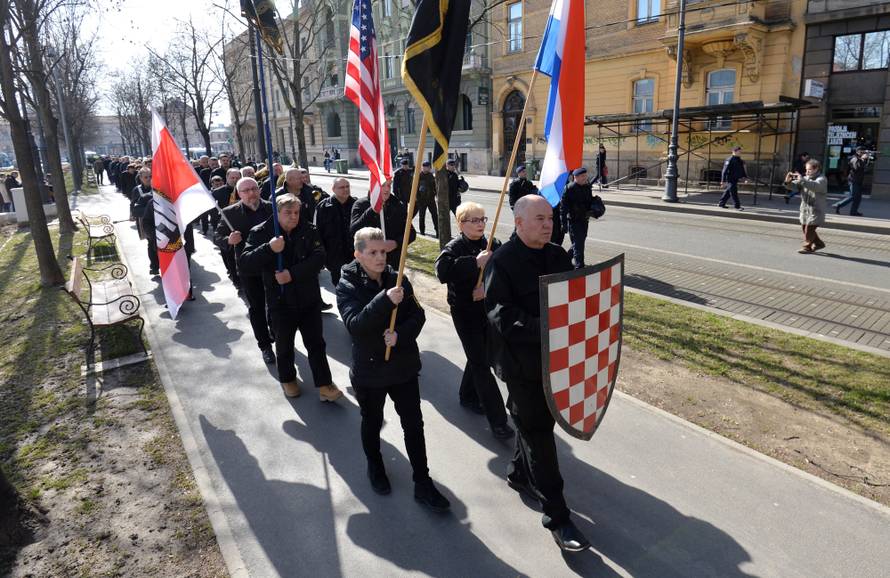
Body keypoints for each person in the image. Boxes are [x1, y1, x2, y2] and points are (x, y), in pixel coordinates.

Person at [484, 194, 589, 553]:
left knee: (532, 426)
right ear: (519, 223)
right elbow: (501, 316)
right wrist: (549, 328)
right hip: (521, 366)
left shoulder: (557, 255)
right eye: (540, 219)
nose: (548, 225)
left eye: (550, 218)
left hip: (557, 361)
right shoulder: (502, 261)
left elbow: (576, 296)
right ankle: (558, 519)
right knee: (540, 435)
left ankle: (518, 474)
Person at [335, 226, 450, 511]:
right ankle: (375, 465)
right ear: (358, 254)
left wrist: (400, 335)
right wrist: (384, 300)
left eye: (383, 252)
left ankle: (422, 481)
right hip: (370, 371)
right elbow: (355, 325)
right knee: (372, 421)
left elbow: (418, 315)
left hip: (403, 367)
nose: (380, 258)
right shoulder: (347, 284)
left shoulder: (398, 279)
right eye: (373, 252)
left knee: (413, 424)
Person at [240, 193, 344, 402]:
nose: (294, 217)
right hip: (280, 301)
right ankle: (287, 379)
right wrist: (269, 248)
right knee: (284, 344)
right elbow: (245, 263)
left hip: (309, 298)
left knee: (316, 344)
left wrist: (292, 274)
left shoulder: (308, 229)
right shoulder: (261, 232)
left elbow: (319, 257)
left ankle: (324, 384)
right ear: (277, 212)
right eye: (288, 213)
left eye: (296, 212)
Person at [435, 202, 513, 439]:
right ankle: (498, 421)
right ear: (461, 224)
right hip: (464, 312)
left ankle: (467, 395)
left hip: (487, 310)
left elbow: (505, 273)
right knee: (481, 364)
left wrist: (486, 290)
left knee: (480, 355)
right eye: (475, 220)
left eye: (483, 219)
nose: (480, 224)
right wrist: (474, 263)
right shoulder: (454, 247)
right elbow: (442, 272)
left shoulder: (492, 244)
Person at [214, 177, 276, 365]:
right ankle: (265, 345)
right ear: (239, 194)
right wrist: (228, 240)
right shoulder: (230, 213)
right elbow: (218, 236)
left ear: (259, 189)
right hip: (249, 268)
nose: (251, 193)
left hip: (273, 265)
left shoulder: (272, 208)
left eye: (254, 189)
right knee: (257, 308)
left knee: (275, 304)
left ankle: (276, 332)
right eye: (246, 191)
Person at [350, 180, 416, 270]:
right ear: (373, 186)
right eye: (382, 185)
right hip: (368, 265)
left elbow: (411, 233)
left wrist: (395, 243)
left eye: (389, 185)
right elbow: (353, 231)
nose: (387, 189)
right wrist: (372, 210)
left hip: (392, 264)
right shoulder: (361, 204)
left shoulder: (397, 205)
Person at [315, 177, 356, 286]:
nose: (345, 189)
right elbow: (318, 233)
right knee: (339, 285)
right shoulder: (323, 206)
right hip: (334, 256)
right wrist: (322, 256)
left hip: (354, 254)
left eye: (347, 186)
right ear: (333, 189)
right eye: (342, 187)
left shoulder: (356, 204)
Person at [785, 159, 828, 254]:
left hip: (816, 210)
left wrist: (802, 180)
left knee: (809, 229)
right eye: (806, 170)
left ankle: (807, 247)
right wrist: (788, 182)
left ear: (816, 169)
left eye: (809, 170)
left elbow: (815, 186)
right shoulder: (805, 178)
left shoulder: (822, 179)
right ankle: (819, 244)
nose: (807, 172)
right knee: (805, 228)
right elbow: (795, 187)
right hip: (805, 209)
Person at [560, 167, 593, 269]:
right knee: (578, 245)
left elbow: (590, 202)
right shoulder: (569, 189)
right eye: (582, 176)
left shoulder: (587, 187)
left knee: (579, 243)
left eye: (585, 176)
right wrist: (563, 223)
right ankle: (579, 267)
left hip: (584, 220)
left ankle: (563, 260)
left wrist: (596, 206)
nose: (585, 178)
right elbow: (563, 208)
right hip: (574, 221)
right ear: (576, 177)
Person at [131, 169, 160, 276]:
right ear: (140, 178)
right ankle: (154, 266)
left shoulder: (158, 187)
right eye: (146, 177)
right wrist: (149, 210)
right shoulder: (137, 190)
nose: (148, 179)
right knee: (151, 243)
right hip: (146, 221)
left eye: (150, 176)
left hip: (160, 221)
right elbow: (134, 207)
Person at [833, 147, 867, 216]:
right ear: (857, 152)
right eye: (861, 151)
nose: (863, 153)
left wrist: (866, 159)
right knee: (853, 196)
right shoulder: (854, 158)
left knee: (858, 197)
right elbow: (857, 167)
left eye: (863, 152)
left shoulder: (859, 159)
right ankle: (838, 205)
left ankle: (853, 212)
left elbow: (864, 167)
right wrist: (863, 159)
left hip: (859, 180)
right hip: (853, 180)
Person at [719, 146, 747, 210]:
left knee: (728, 191)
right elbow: (724, 170)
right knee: (734, 192)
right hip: (730, 178)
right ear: (734, 151)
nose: (740, 153)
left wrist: (745, 177)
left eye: (740, 151)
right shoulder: (729, 159)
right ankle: (737, 206)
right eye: (739, 151)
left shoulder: (739, 159)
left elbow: (742, 169)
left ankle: (721, 203)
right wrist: (722, 181)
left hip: (735, 178)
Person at [415, 160, 438, 237]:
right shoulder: (418, 176)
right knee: (422, 216)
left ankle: (438, 232)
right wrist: (418, 198)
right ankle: (422, 231)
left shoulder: (431, 176)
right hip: (421, 200)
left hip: (431, 200)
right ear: (422, 167)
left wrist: (435, 195)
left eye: (427, 167)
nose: (426, 168)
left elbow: (435, 187)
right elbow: (415, 188)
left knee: (435, 215)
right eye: (424, 167)